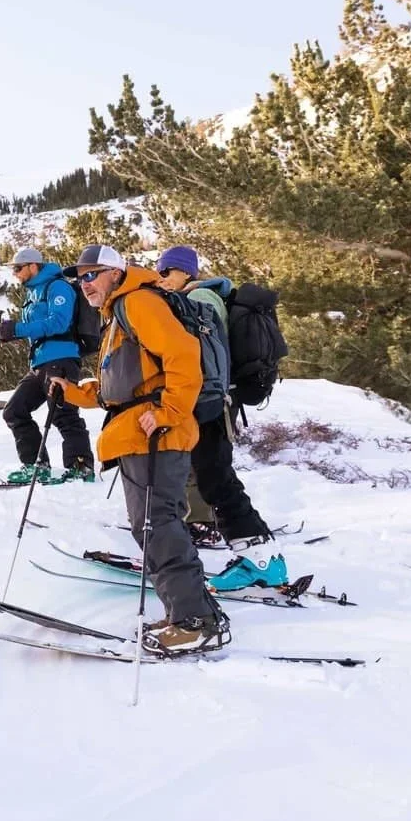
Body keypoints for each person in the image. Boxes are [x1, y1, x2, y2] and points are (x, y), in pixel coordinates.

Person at [47, 244, 229, 655]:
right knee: (153, 524)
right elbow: (121, 390)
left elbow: (184, 355)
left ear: (114, 272)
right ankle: (191, 612)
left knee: (156, 524)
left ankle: (194, 621)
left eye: (91, 274)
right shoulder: (118, 314)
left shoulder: (139, 303)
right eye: (80, 278)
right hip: (139, 431)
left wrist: (168, 410)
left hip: (156, 433)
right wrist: (74, 393)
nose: (84, 284)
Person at [154, 245, 287, 591]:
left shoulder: (201, 298)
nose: (161, 277)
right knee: (212, 476)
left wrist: (199, 398)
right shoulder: (206, 297)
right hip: (211, 400)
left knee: (216, 478)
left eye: (167, 271)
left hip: (209, 401)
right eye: (160, 271)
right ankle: (263, 557)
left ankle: (260, 558)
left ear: (186, 272)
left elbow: (205, 354)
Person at [0, 246, 95, 485]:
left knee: (63, 413)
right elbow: (34, 328)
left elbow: (58, 322)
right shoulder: (32, 294)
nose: (15, 273)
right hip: (40, 362)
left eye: (18, 268)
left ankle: (80, 466)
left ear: (33, 265)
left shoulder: (57, 287)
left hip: (61, 358)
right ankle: (36, 466)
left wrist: (16, 329)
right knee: (14, 411)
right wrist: (4, 332)